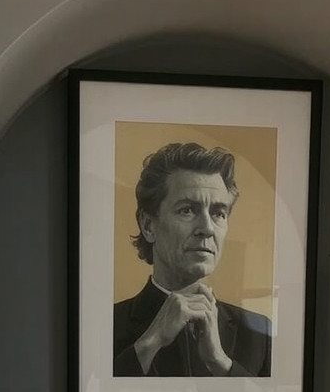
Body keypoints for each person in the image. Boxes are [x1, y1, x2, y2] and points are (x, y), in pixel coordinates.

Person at [113, 142, 272, 377]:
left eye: (219, 213)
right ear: (148, 225)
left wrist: (220, 362)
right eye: (187, 210)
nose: (207, 228)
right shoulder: (106, 324)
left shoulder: (259, 334)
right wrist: (151, 342)